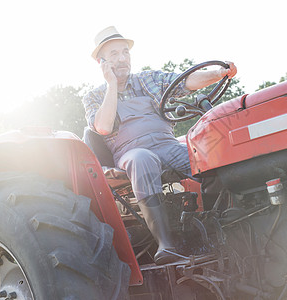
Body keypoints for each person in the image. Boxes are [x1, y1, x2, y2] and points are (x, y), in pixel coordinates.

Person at [82, 26, 237, 264]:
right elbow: (102, 127)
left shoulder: (148, 80)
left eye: (125, 52)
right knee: (142, 159)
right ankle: (166, 244)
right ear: (101, 61)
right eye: (114, 54)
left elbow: (185, 82)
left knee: (208, 157)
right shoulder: (94, 97)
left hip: (167, 145)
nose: (122, 58)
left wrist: (219, 72)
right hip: (130, 152)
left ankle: (221, 229)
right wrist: (111, 84)